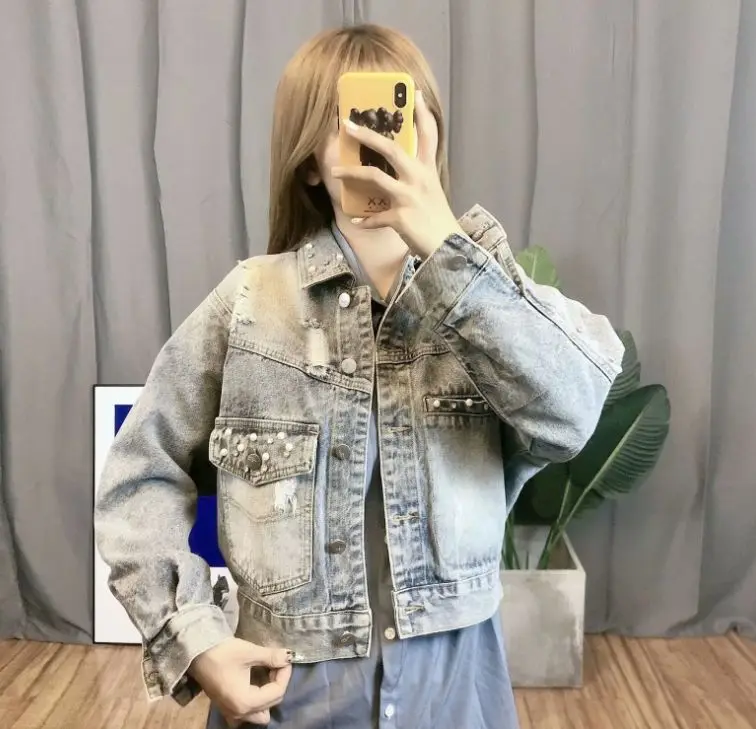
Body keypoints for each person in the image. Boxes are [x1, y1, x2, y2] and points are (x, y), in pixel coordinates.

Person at [94, 24, 624, 729]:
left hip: (456, 695)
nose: (380, 141)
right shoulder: (248, 305)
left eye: (397, 114)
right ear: (312, 161)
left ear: (430, 133)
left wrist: (447, 248)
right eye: (355, 121)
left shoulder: (494, 303)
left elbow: (572, 414)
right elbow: (140, 473)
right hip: (287, 701)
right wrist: (195, 639)